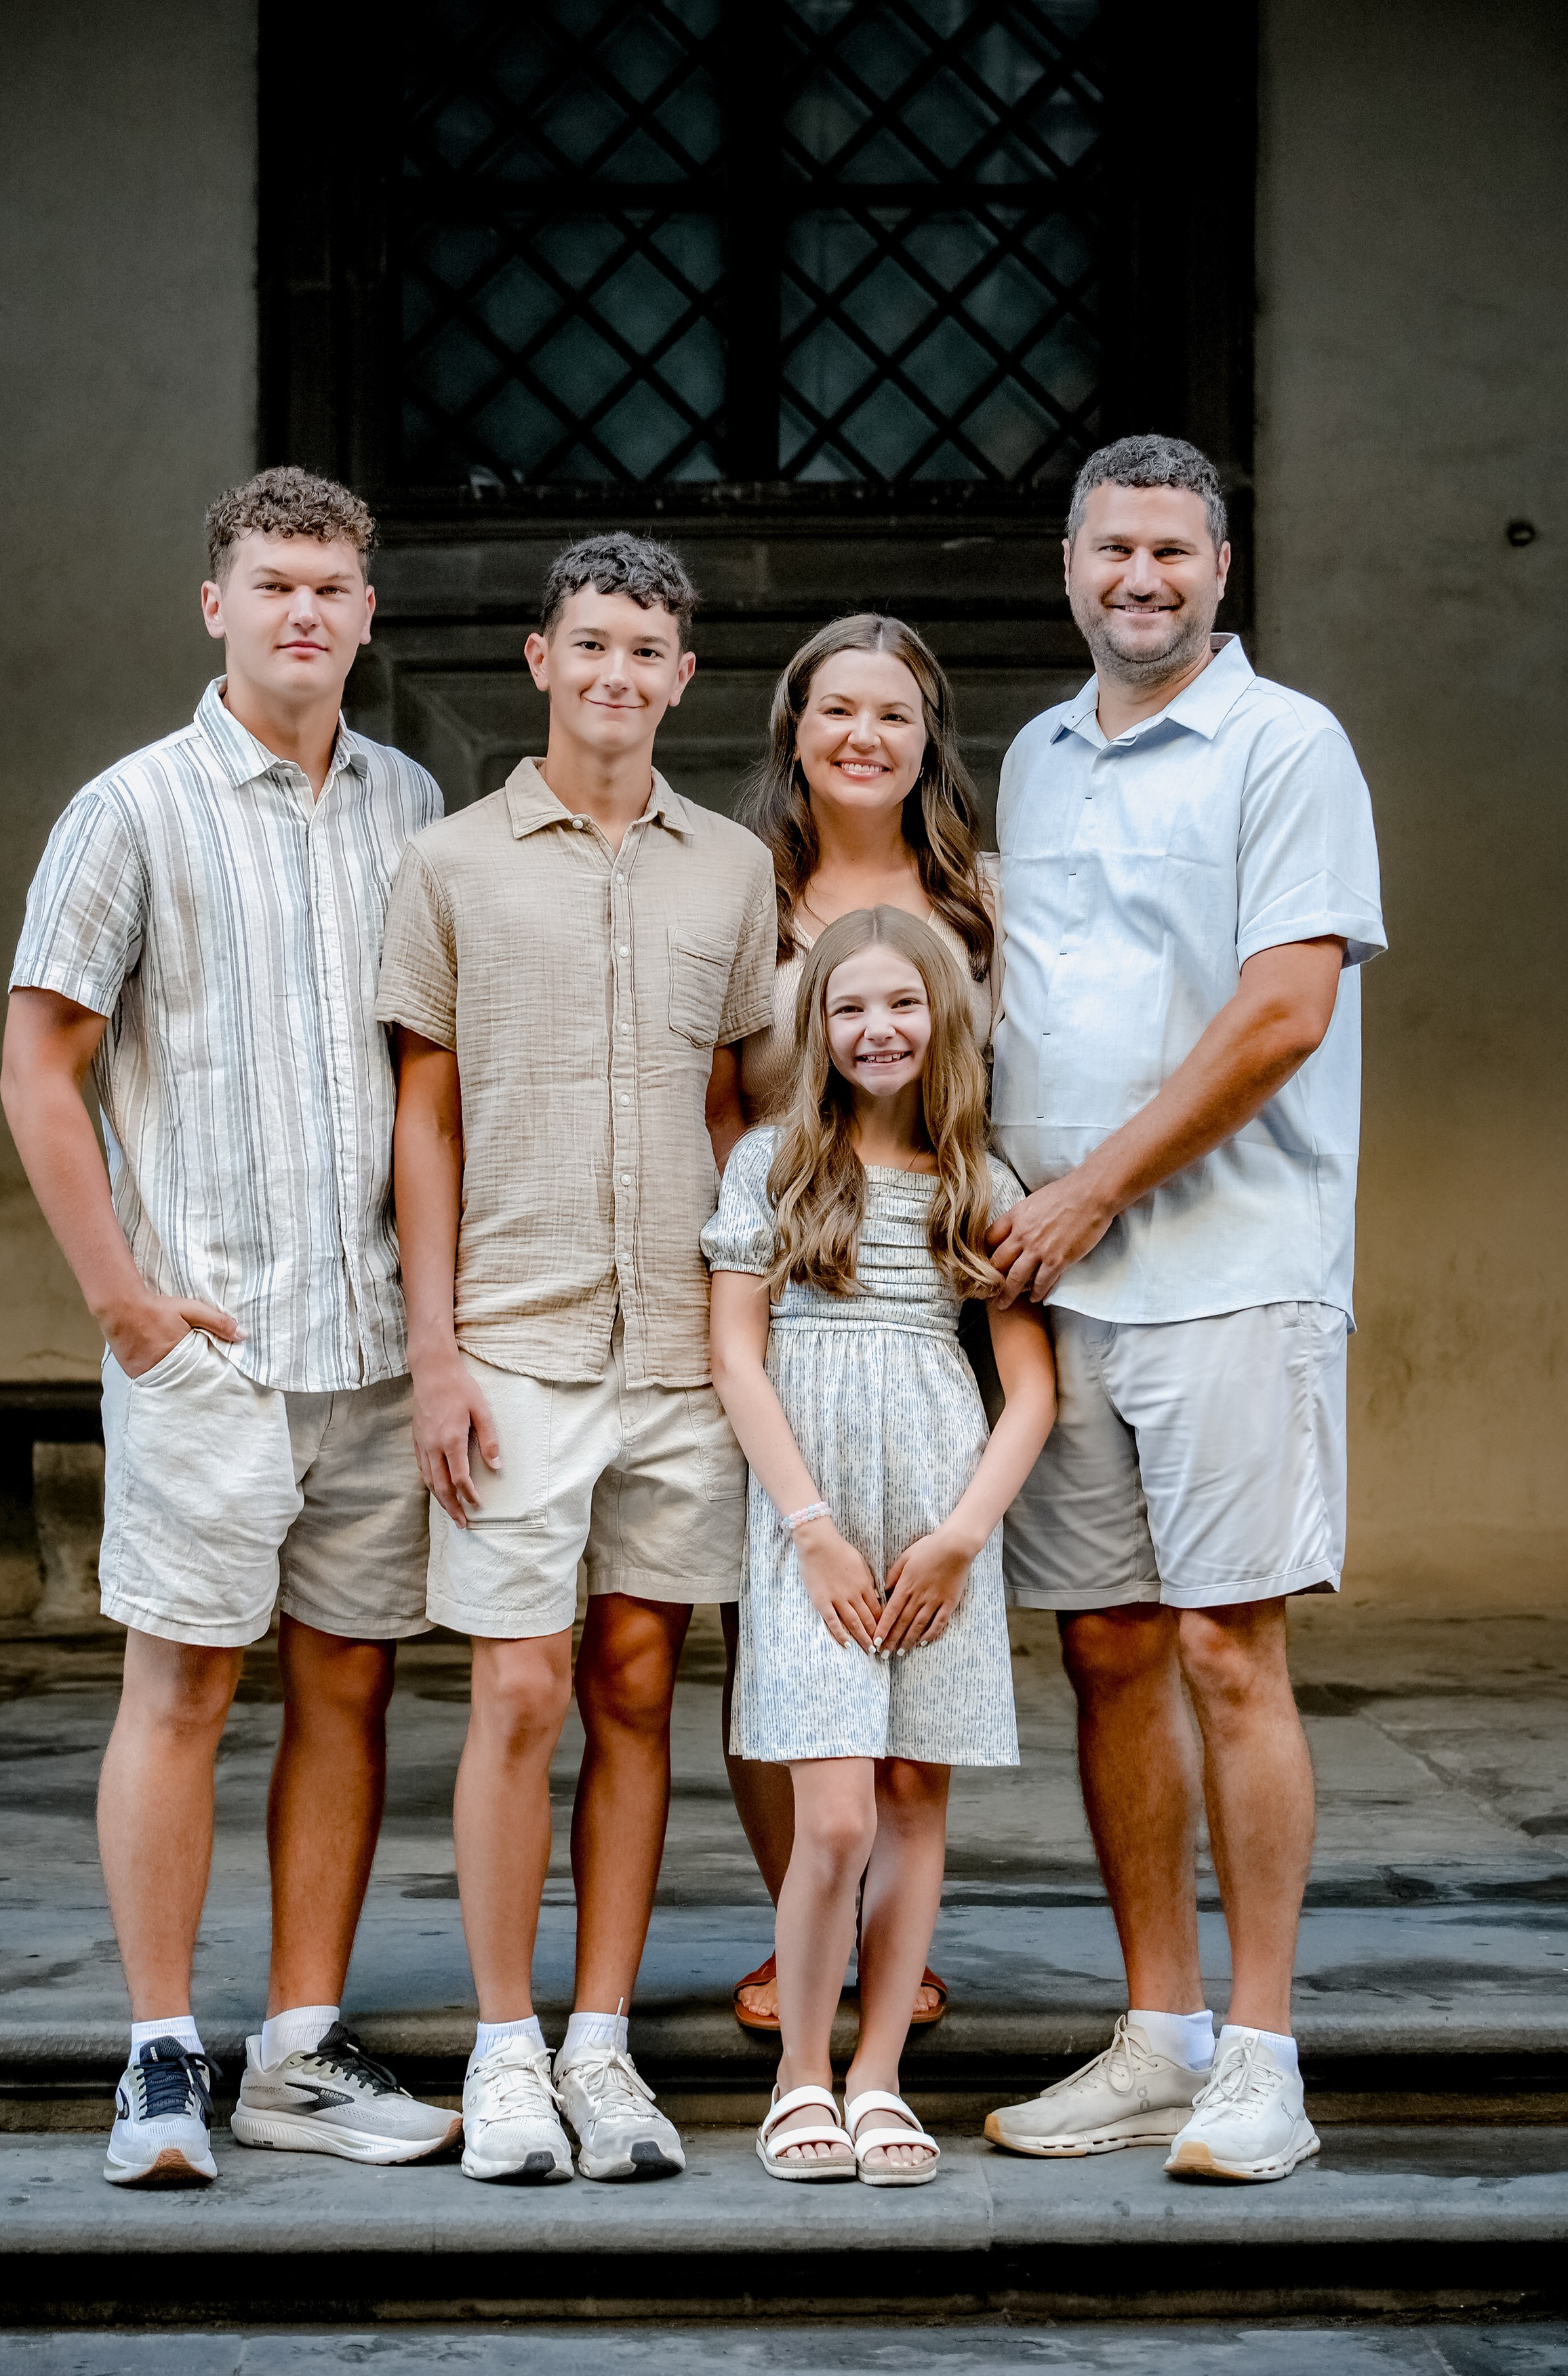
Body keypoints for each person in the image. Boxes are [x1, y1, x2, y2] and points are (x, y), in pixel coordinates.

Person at [1, 467, 460, 2189]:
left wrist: (436, 1332)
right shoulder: (126, 810)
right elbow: (38, 1073)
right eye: (273, 584)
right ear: (216, 605)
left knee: (349, 1696)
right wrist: (123, 1301)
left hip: (364, 1341)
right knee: (181, 1693)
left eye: (334, 587)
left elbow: (431, 1085)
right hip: (209, 1345)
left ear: (365, 609)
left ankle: (297, 2047)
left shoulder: (411, 798)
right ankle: (155, 2058)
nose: (304, 614)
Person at [982, 434, 1386, 2185]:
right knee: (1108, 1650)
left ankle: (1266, 2056)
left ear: (1223, 570)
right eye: (1111, 549)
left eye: (1172, 551)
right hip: (1066, 1287)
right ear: (1067, 564)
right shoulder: (1036, 759)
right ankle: (1162, 2033)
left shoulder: (1288, 746)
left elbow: (1282, 1010)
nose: (1139, 577)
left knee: (1229, 1647)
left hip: (1232, 1272)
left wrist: (1087, 1189)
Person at [379, 531, 776, 2187]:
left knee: (633, 1686)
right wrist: (432, 1348)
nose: (617, 674)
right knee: (519, 1689)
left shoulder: (730, 871)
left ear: (683, 680)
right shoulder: (451, 865)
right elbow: (425, 1114)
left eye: (648, 651)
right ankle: (502, 2051)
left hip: (678, 1349)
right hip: (519, 1339)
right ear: (538, 661)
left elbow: (741, 1108)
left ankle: (602, 2044)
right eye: (589, 644)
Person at [705, 909, 1053, 2183]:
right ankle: (800, 2073)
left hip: (937, 1520)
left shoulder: (980, 1182)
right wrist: (810, 1531)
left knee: (913, 1801)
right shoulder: (775, 1171)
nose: (878, 1029)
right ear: (818, 1029)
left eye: (903, 1005)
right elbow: (738, 1359)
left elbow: (1030, 1394)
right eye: (851, 1009)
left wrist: (963, 1539)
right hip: (816, 1525)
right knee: (837, 1819)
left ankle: (878, 2079)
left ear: (942, 1020)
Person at [725, 613, 1001, 2033]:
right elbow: (719, 1098)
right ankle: (808, 1934)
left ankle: (879, 1943)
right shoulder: (741, 889)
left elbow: (998, 1088)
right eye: (836, 710)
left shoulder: (974, 898)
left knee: (905, 1625)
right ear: (794, 727)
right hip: (774, 1266)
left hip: (922, 1278)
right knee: (781, 1635)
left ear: (923, 737)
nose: (861, 738)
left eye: (892, 714)